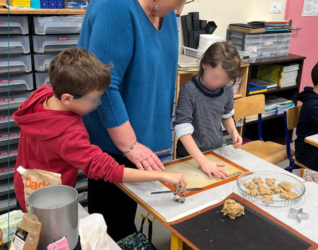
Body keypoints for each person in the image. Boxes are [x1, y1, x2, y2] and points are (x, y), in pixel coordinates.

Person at [13, 48, 187, 212]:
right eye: (94, 99)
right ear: (67, 98)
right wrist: (161, 176)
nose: (99, 104)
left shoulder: (42, 95)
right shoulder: (69, 135)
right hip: (48, 204)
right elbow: (110, 170)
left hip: (24, 186)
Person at [78, 0, 185, 240]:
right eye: (179, 0)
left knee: (126, 218)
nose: (181, 9)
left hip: (141, 141)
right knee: (109, 227)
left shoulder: (164, 13)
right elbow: (102, 86)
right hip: (113, 144)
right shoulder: (114, 7)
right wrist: (131, 145)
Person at [173, 42, 243, 179]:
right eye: (215, 77)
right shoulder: (189, 91)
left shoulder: (226, 90)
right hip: (190, 156)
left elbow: (226, 115)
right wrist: (203, 162)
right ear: (204, 64)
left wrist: (233, 132)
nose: (218, 83)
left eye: (224, 80)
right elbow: (182, 130)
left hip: (215, 151)